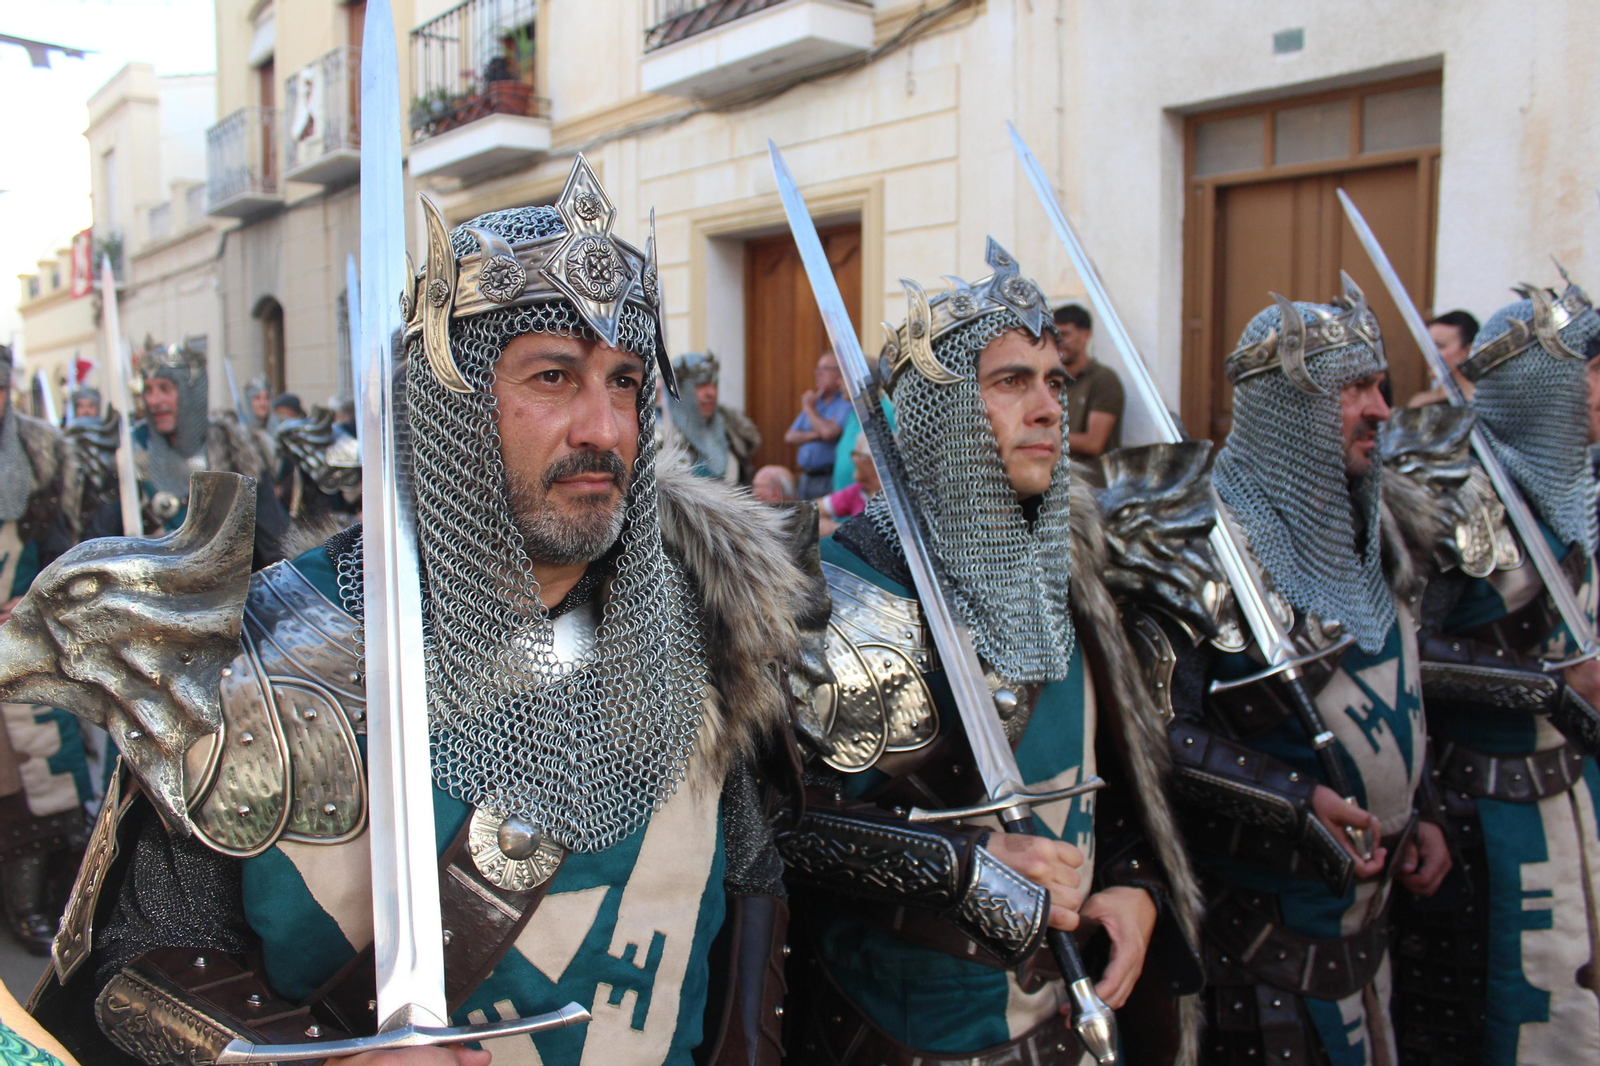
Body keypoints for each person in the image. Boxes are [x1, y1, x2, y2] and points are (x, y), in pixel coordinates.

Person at [5, 157, 815, 1066]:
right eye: (554, 377)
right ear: (451, 401)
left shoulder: (702, 630)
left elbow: (752, 887)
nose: (604, 427)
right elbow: (130, 968)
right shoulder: (273, 650)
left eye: (625, 381)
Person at [781, 242, 1202, 1066]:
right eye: (1011, 381)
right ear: (939, 414)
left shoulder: (1074, 581)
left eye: (1056, 382)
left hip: (1068, 1025)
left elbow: (1115, 787)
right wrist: (963, 867)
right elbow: (777, 832)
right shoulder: (845, 593)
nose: (1050, 409)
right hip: (908, 1034)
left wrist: (1135, 889)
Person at [1159, 279, 1451, 1066]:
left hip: (1370, 923)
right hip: (1258, 933)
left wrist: (1417, 806)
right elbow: (1156, 734)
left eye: (1379, 386)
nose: (1382, 409)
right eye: (1355, 388)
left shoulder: (1375, 525)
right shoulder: (1200, 552)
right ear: (1289, 405)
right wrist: (1293, 799)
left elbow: (1398, 688)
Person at [1384, 274, 1600, 1066]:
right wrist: (1549, 686)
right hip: (1474, 800)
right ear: (1539, 383)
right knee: (1479, 1021)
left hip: (1579, 787)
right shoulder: (1445, 495)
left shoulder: (1584, 489)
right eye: (1592, 368)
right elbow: (1397, 655)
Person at [0, 348, 90, 957]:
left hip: (18, 638)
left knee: (32, 776)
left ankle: (28, 904)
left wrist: (37, 597)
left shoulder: (36, 451)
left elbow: (62, 545)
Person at [123, 340, 289, 566]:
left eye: (165, 389)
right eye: (149, 390)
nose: (154, 400)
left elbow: (275, 546)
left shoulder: (235, 452)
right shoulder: (130, 453)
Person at [666, 350, 761, 484]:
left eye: (714, 384)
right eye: (700, 385)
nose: (711, 392)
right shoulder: (659, 437)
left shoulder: (733, 433)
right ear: (680, 390)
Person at [1055, 304, 1124, 458]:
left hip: (1090, 478)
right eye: (1053, 335)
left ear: (1085, 336)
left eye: (1065, 334)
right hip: (1054, 474)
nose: (1058, 341)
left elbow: (1093, 443)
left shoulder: (1104, 379)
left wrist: (1040, 438)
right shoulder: (1050, 381)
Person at [785, 351, 850, 498]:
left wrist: (809, 410)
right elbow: (790, 436)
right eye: (817, 369)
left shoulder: (845, 402)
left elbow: (829, 433)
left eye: (825, 368)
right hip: (806, 477)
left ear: (840, 373)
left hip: (828, 478)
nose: (817, 373)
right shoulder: (816, 402)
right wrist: (816, 434)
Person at [1407, 309, 1480, 406]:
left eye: (1439, 346)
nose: (1430, 354)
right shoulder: (1419, 403)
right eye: (1428, 346)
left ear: (1467, 351)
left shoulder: (1483, 404)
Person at [815, 433, 877, 537]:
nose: (854, 459)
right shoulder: (858, 491)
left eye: (859, 456)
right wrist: (836, 528)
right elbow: (814, 509)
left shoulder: (893, 500)